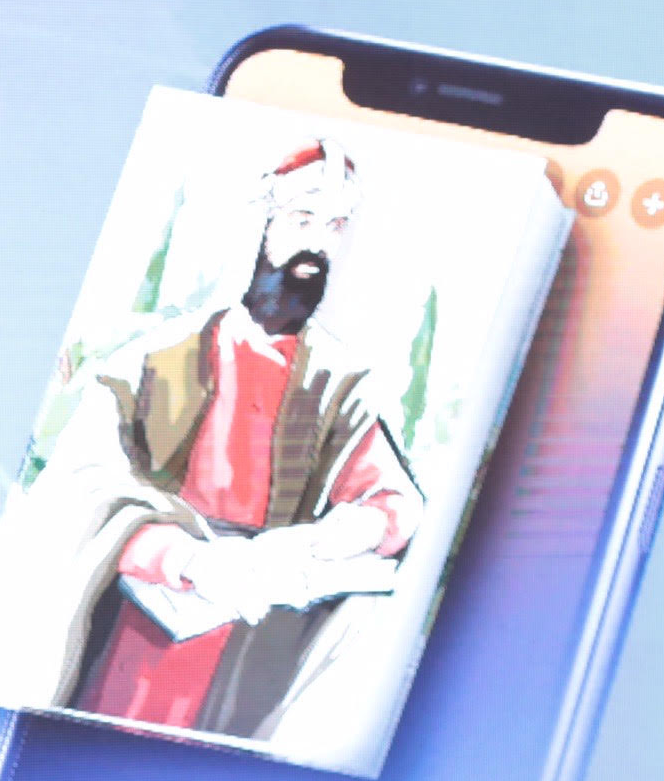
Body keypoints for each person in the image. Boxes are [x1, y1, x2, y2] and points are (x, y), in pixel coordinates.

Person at [25, 139, 425, 736]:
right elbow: (82, 485)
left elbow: (393, 500)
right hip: (143, 619)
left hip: (255, 638)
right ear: (260, 225)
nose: (318, 245)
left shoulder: (338, 381)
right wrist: (183, 558)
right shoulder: (154, 359)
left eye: (335, 226)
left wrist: (353, 530)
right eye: (302, 219)